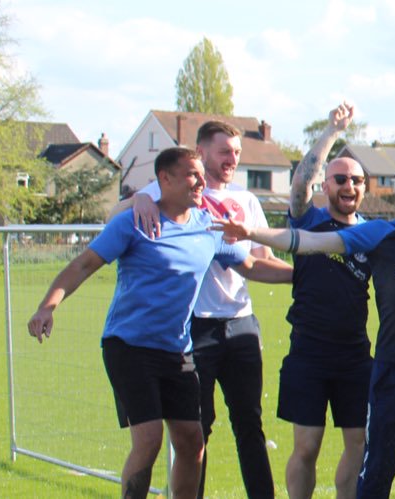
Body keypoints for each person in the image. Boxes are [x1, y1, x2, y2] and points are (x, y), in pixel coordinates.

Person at [29, 147, 287, 499]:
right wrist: (47, 306)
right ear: (165, 178)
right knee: (149, 440)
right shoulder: (134, 223)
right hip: (129, 347)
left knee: (192, 442)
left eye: (202, 175)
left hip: (178, 351)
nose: (201, 182)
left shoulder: (207, 227)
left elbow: (253, 266)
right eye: (192, 174)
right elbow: (84, 264)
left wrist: (305, 275)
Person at [214, 166, 395, 498]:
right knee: (367, 467)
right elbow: (309, 241)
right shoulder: (380, 234)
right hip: (384, 373)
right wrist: (252, 233)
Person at [127, 121, 296, 498]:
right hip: (195, 328)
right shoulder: (177, 190)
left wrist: (307, 277)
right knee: (196, 431)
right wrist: (139, 198)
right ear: (201, 152)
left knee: (250, 425)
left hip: (241, 325)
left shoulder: (247, 200)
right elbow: (124, 208)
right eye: (224, 152)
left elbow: (261, 260)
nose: (232, 159)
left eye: (237, 152)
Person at [276, 102, 372, 499]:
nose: (349, 186)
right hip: (309, 351)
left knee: (360, 444)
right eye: (340, 179)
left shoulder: (370, 234)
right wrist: (332, 131)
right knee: (307, 446)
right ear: (326, 185)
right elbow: (300, 184)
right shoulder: (309, 221)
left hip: (355, 354)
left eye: (357, 180)